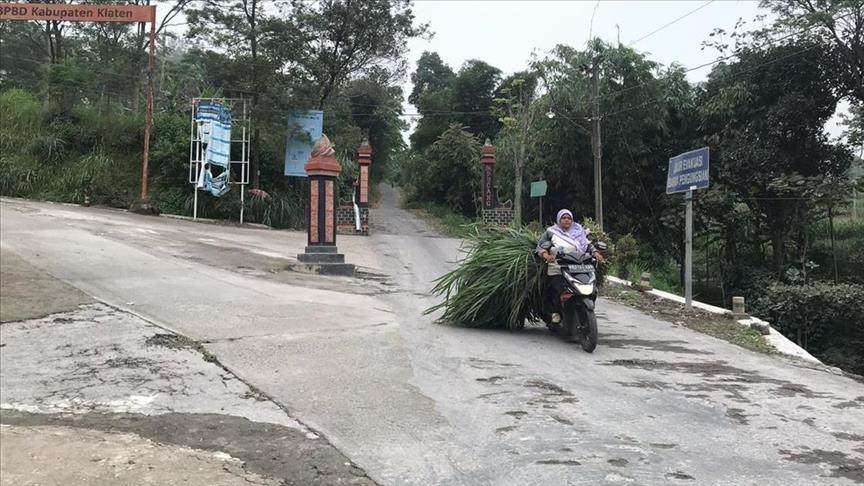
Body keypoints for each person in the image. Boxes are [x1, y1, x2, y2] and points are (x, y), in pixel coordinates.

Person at [536, 209, 604, 324]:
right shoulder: (551, 232)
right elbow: (541, 247)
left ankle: (583, 313)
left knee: (593, 290)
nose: (566, 220)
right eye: (564, 218)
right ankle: (556, 314)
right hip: (558, 268)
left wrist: (596, 253)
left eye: (569, 218)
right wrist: (546, 255)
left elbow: (587, 245)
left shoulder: (579, 231)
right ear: (559, 219)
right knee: (558, 289)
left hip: (580, 267)